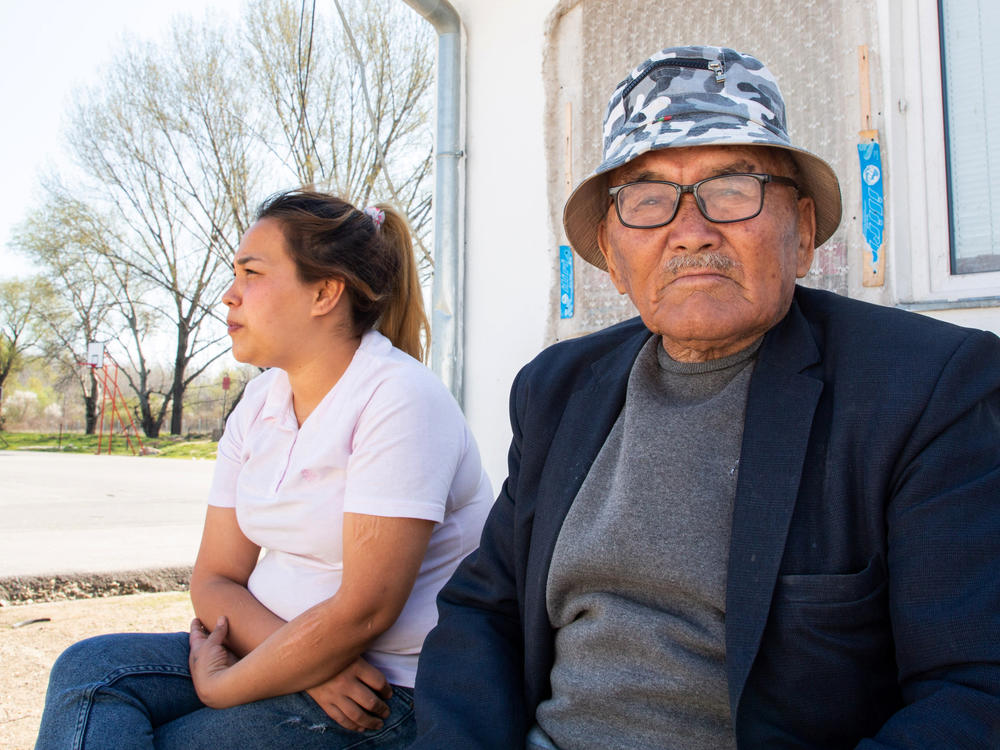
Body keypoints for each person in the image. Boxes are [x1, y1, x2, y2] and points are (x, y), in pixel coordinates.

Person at [411, 46, 1000, 749]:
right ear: (611, 252)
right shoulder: (556, 390)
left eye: (731, 187)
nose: (691, 232)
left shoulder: (928, 388)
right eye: (648, 200)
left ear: (803, 233)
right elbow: (484, 613)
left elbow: (974, 692)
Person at [35, 190, 493, 750]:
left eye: (251, 273)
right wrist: (306, 665)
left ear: (324, 292)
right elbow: (214, 578)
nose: (229, 296)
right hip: (302, 661)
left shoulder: (399, 398)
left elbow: (364, 613)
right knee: (89, 670)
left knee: (174, 740)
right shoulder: (260, 403)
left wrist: (223, 688)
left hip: (385, 692)